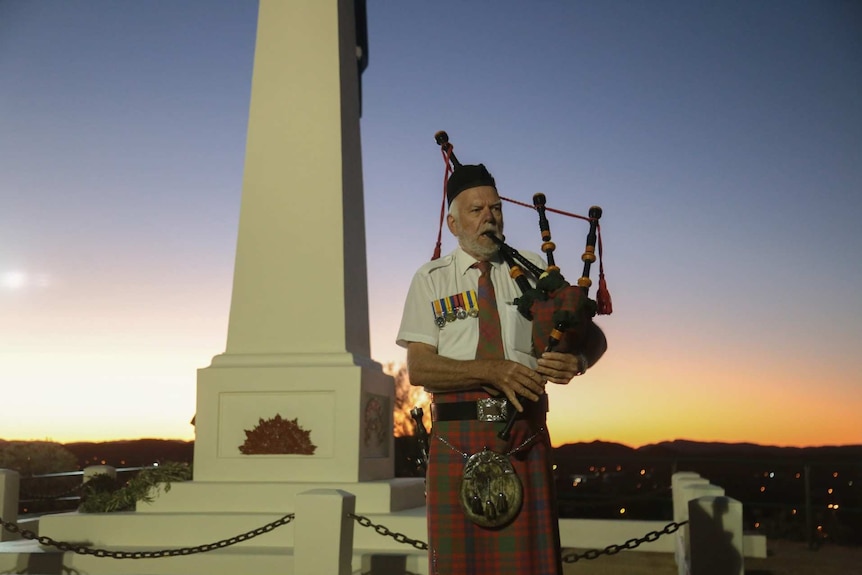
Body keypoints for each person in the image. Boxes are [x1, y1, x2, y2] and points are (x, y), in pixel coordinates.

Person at [397, 163, 607, 575]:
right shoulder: (431, 279)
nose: (489, 217)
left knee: (529, 565)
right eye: (477, 210)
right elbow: (419, 368)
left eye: (496, 209)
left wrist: (578, 360)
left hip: (523, 434)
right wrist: (492, 371)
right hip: (456, 439)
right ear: (453, 223)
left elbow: (593, 336)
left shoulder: (535, 273)